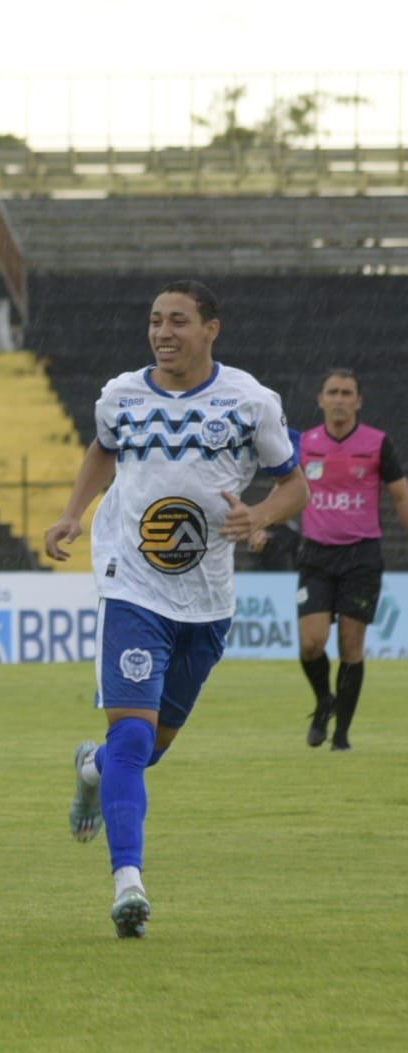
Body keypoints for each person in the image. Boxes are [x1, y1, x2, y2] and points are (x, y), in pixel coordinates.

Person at [44, 280, 308, 939]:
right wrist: (72, 514)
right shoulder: (120, 396)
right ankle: (127, 883)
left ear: (210, 329)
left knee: (147, 748)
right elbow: (101, 450)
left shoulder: (249, 402)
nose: (162, 332)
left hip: (207, 603)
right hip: (130, 588)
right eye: (155, 321)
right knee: (131, 736)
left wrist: (260, 515)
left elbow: (293, 484)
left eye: (178, 322)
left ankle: (88, 771)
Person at [285, 370, 408, 750]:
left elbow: (400, 495)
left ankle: (341, 737)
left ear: (358, 401)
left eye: (347, 393)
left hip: (361, 557)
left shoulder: (377, 444)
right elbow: (284, 491)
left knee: (351, 647)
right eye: (333, 392)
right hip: (316, 555)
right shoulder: (304, 444)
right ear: (320, 400)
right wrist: (261, 523)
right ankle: (324, 701)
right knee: (311, 643)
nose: (339, 399)